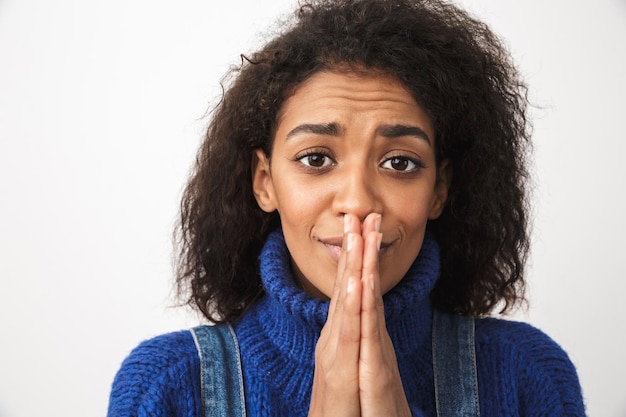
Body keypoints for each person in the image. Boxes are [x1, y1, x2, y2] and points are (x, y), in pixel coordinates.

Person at [107, 0, 586, 416]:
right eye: (316, 159)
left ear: (439, 190)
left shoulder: (528, 375)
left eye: (400, 162)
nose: (357, 202)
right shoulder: (164, 385)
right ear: (265, 182)